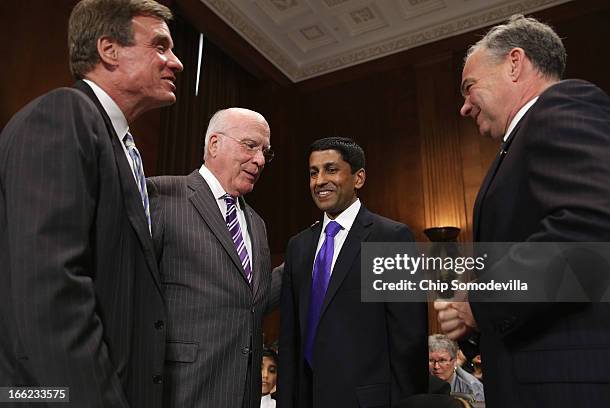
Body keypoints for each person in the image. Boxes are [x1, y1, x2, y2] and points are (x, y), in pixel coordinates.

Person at [0, 0, 183, 406]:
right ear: (109, 50)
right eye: (160, 46)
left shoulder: (118, 145)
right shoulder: (63, 114)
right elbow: (50, 290)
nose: (176, 62)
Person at [434, 14, 610, 407]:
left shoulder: (563, 105)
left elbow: (593, 230)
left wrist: (478, 299)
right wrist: (471, 317)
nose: (464, 107)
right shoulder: (517, 144)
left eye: (469, 87)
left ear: (515, 63)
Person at [278, 137, 428, 408]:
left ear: (358, 178)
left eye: (331, 169)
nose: (319, 180)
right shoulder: (297, 246)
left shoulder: (390, 238)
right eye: (313, 172)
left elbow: (409, 339)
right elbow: (290, 341)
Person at [147, 108, 281, 408]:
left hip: (243, 394)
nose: (259, 160)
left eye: (265, 153)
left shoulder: (257, 224)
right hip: (180, 391)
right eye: (250, 145)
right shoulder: (162, 195)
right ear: (214, 144)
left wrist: (310, 252)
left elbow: (249, 301)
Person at [428, 335, 484, 402]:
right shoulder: (417, 383)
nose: (436, 366)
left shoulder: (473, 388)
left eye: (442, 360)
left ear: (455, 361)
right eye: (431, 360)